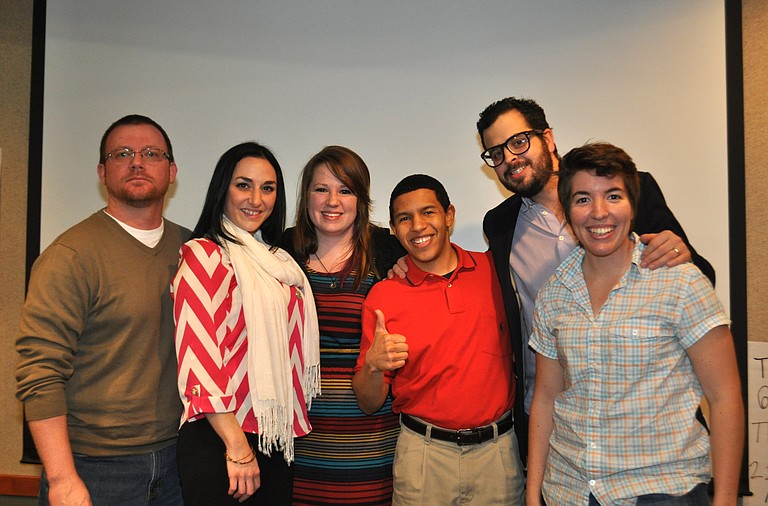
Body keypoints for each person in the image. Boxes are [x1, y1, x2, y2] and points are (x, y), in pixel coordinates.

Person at [478, 97, 716, 462]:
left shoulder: (627, 192)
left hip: (644, 421)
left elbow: (698, 278)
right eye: (496, 152)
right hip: (556, 422)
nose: (509, 158)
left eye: (518, 142)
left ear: (548, 138)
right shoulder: (500, 225)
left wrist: (679, 250)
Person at [526, 142, 743, 505]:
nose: (598, 213)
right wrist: (534, 494)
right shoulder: (554, 293)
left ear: (632, 204)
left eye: (613, 196)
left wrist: (724, 500)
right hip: (569, 491)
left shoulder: (681, 282)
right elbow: (547, 399)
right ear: (567, 209)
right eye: (582, 199)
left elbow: (725, 399)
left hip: (660, 491)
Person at [15, 114, 188, 505]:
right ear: (102, 172)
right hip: (94, 468)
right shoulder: (71, 256)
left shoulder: (192, 250)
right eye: (122, 153)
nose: (137, 161)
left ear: (172, 170)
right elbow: (39, 371)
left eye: (151, 153)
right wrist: (61, 479)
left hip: (178, 461)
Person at [353, 174, 525, 505]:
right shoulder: (384, 296)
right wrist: (373, 366)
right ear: (393, 228)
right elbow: (369, 402)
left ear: (449, 216)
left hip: (498, 455)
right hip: (424, 459)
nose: (417, 226)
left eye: (428, 212)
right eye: (405, 218)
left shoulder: (495, 271)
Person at [171, 141, 320, 505]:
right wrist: (237, 447)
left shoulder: (278, 263)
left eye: (267, 188)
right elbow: (200, 362)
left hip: (272, 436)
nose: (256, 198)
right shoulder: (205, 255)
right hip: (222, 441)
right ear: (223, 189)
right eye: (243, 185)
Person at [280, 146, 405, 505]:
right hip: (301, 444)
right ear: (306, 197)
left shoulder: (387, 252)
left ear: (361, 200)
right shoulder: (280, 252)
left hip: (372, 440)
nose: (332, 201)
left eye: (345, 190)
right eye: (321, 189)